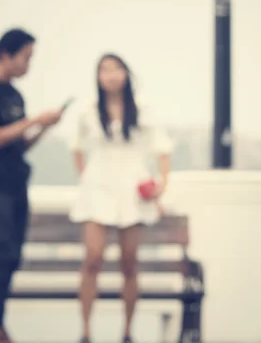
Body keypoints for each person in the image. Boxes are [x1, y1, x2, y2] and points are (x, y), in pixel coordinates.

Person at [69, 53, 174, 343]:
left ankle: (127, 332)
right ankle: (86, 332)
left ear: (126, 74)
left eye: (116, 69)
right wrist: (87, 179)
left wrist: (160, 186)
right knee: (92, 258)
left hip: (132, 188)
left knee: (129, 262)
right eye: (104, 69)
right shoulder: (88, 111)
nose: (111, 75)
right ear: (98, 76)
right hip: (97, 187)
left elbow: (162, 149)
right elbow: (76, 148)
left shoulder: (143, 110)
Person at [0, 28, 63, 343]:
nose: (28, 65)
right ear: (6, 56)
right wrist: (34, 120)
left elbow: (18, 145)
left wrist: (44, 128)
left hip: (18, 182)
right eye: (25, 57)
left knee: (15, 254)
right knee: (5, 250)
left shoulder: (16, 96)